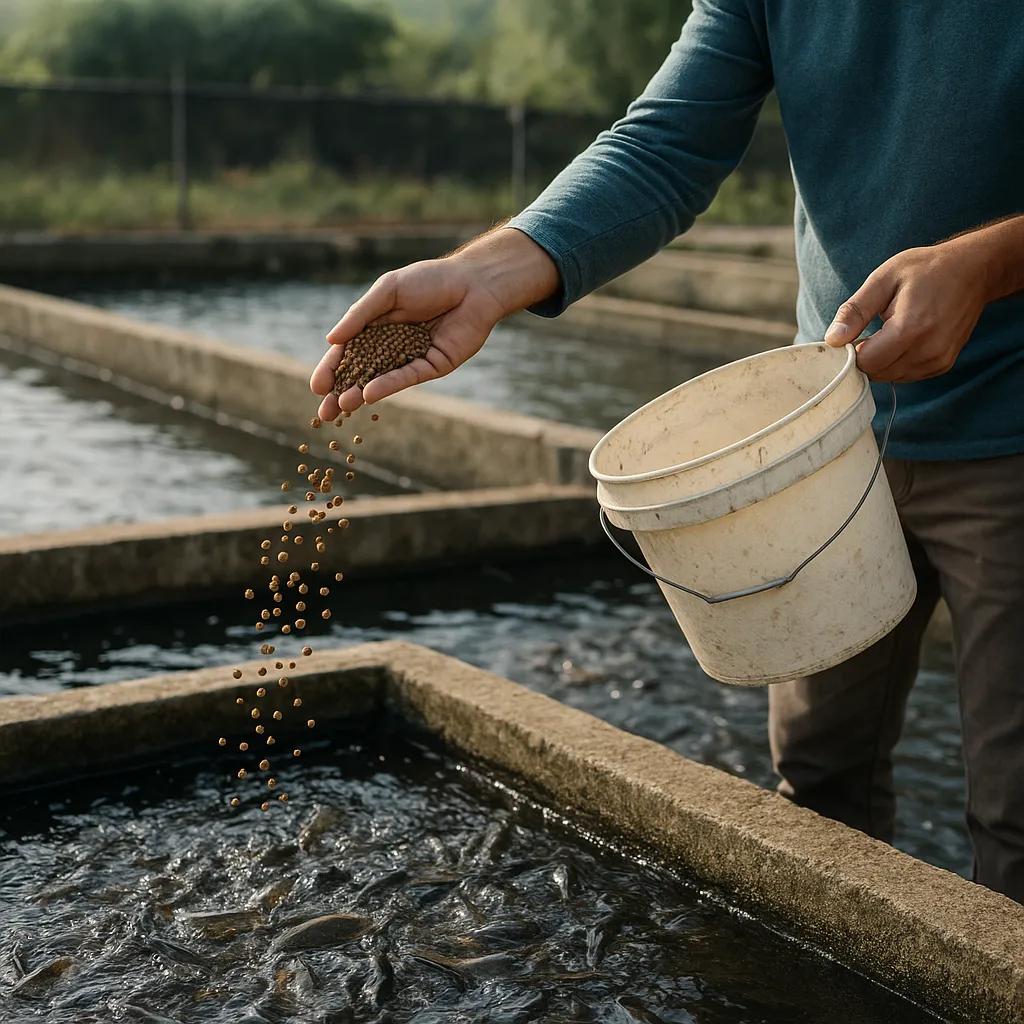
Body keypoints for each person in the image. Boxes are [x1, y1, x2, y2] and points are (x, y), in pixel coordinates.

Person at [311, 1, 1024, 901]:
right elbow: (666, 143)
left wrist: (990, 263)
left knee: (1016, 817)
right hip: (827, 429)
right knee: (817, 785)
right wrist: (486, 276)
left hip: (1012, 431)